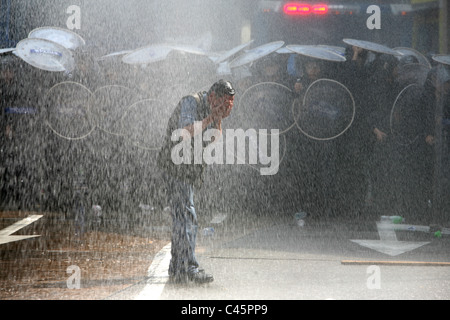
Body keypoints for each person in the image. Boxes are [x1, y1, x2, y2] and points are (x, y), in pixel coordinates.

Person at [157, 79, 235, 284]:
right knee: (187, 216)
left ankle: (177, 267)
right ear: (212, 97)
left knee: (183, 216)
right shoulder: (191, 102)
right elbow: (185, 131)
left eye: (229, 104)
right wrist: (211, 117)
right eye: (222, 102)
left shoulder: (211, 108)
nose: (225, 106)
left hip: (189, 168)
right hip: (175, 164)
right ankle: (188, 267)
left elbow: (213, 139)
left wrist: (218, 119)